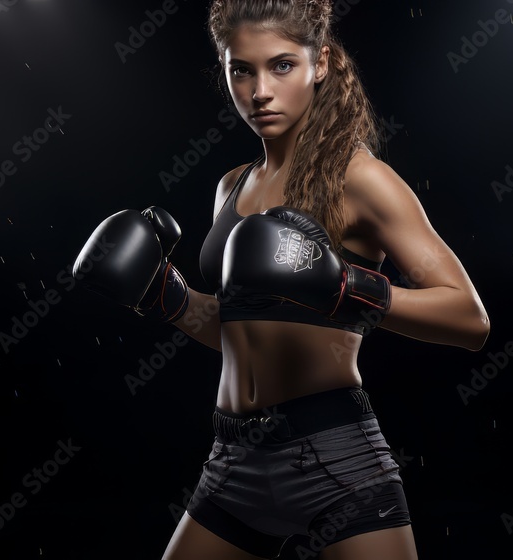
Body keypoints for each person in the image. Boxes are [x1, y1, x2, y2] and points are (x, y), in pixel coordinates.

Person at [71, 1, 490, 558]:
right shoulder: (231, 187)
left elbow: (469, 319)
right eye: (241, 70)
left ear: (319, 64)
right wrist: (167, 298)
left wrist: (347, 287)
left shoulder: (361, 178)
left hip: (333, 454)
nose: (260, 91)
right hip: (232, 462)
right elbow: (241, 333)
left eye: (282, 66)